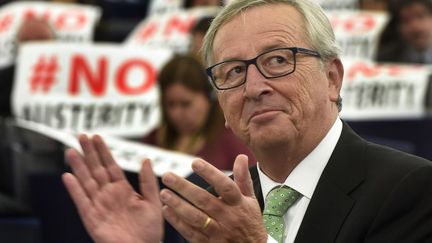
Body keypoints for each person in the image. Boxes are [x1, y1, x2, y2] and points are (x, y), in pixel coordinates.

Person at [62, 0, 432, 243]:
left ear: (332, 78)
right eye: (233, 71)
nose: (254, 87)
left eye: (277, 60)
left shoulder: (411, 189)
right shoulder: (213, 206)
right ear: (221, 104)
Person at [142, 54, 255, 171]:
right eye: (170, 104)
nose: (175, 113)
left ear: (209, 98)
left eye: (185, 104)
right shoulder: (152, 140)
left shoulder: (233, 143)